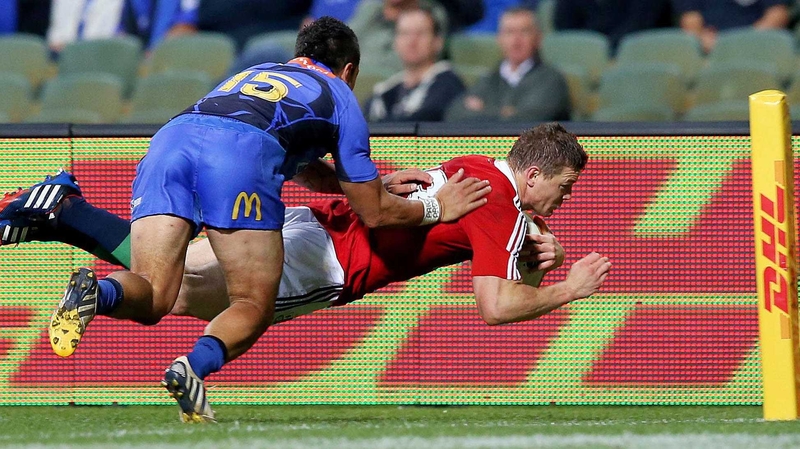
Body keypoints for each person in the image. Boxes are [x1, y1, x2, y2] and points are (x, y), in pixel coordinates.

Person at [30, 16, 491, 424]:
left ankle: (98, 291)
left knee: (154, 294)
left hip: (170, 142)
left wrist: (373, 183)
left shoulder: (256, 72)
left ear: (299, 55)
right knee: (252, 303)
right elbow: (373, 213)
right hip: (236, 157)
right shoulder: (341, 97)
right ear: (349, 70)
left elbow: (306, 167)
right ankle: (192, 367)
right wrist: (437, 207)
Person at [0, 123, 611, 420]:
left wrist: (536, 260)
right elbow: (496, 307)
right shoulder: (504, 209)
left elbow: (494, 257)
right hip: (332, 263)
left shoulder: (479, 167)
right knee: (188, 296)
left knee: (169, 271)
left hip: (312, 222)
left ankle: (62, 211)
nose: (565, 199)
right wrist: (569, 289)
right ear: (534, 174)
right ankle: (179, 358)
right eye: (564, 187)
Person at [445, 7, 570, 123]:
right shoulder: (490, 78)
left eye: (524, 32)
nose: (516, 41)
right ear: (499, 38)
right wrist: (506, 112)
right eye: (509, 32)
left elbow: (526, 122)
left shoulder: (551, 80)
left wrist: (483, 108)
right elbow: (454, 114)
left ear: (538, 38)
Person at [364, 7, 466, 122]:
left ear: (438, 42)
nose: (412, 41)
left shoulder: (448, 84)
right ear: (395, 42)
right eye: (405, 33)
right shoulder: (386, 90)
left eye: (420, 33)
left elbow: (426, 118)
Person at [672, 0, 791, 53]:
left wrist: (742, 42)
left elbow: (777, 13)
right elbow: (690, 19)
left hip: (759, 46)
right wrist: (706, 41)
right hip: (710, 51)